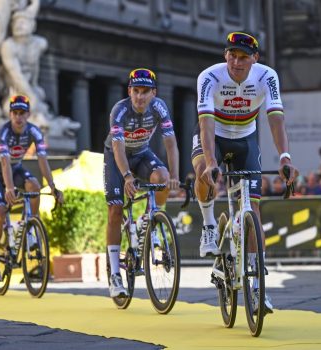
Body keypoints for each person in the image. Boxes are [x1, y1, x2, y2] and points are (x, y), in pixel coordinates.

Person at [191, 32, 298, 313]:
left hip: (246, 140)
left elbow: (276, 120)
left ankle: (257, 287)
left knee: (253, 210)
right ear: (225, 55)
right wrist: (212, 161)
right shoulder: (209, 77)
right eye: (232, 55)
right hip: (214, 135)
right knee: (203, 169)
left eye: (243, 57)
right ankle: (209, 225)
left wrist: (285, 157)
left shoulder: (267, 77)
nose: (237, 62)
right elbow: (205, 124)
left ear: (255, 59)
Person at [103, 68, 180, 298]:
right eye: (136, 91)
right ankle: (115, 273)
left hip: (142, 153)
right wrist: (127, 176)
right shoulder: (120, 110)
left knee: (163, 178)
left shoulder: (159, 108)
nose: (140, 97)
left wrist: (175, 176)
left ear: (153, 93)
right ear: (129, 91)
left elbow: (171, 143)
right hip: (117, 157)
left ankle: (150, 218)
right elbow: (117, 147)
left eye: (145, 92)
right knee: (115, 209)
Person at [0, 95, 63, 283]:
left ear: (28, 114)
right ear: (10, 114)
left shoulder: (34, 132)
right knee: (0, 214)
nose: (18, 117)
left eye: (22, 113)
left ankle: (29, 229)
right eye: (15, 113)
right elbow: (4, 164)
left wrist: (52, 186)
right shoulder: (3, 132)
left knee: (34, 186)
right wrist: (9, 188)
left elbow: (42, 161)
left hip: (16, 169)